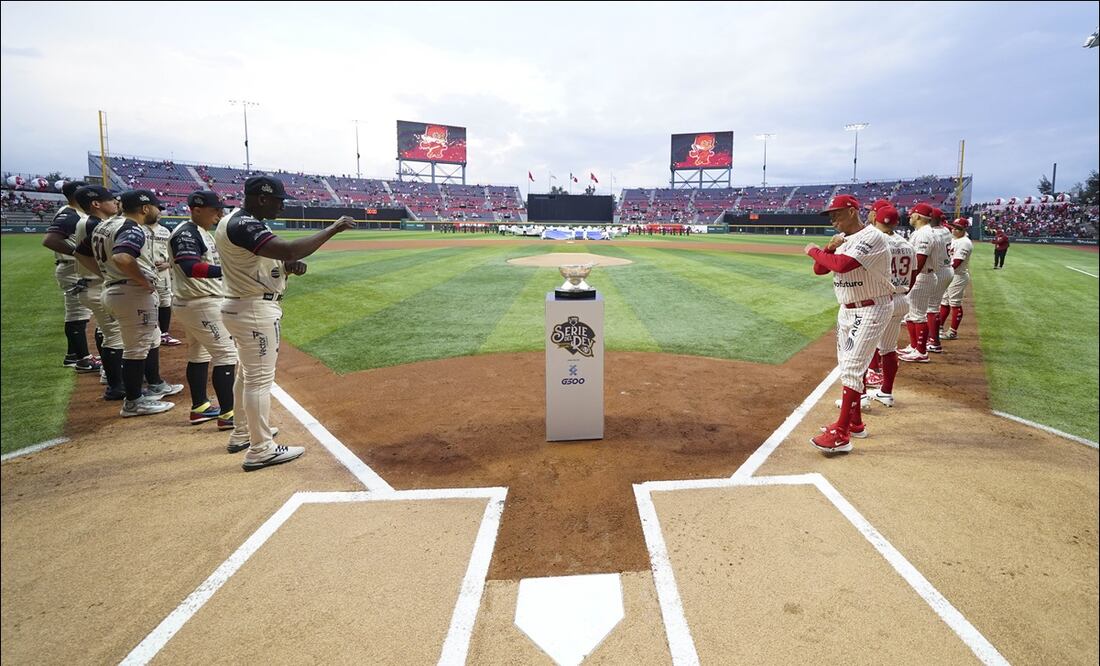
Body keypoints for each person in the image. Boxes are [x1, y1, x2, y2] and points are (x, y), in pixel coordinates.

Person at [215, 176, 356, 471]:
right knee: (258, 380)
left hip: (242, 304)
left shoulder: (239, 221)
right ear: (262, 198)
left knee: (246, 375)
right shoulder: (243, 224)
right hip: (254, 309)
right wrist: (333, 228)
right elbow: (290, 249)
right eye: (279, 201)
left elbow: (268, 263)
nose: (282, 207)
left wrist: (286, 269)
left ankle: (243, 433)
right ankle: (261, 449)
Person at [804, 194, 893, 453]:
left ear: (853, 211)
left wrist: (814, 250)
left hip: (871, 307)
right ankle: (855, 422)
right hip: (848, 309)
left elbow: (842, 266)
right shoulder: (843, 240)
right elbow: (820, 270)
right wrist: (828, 249)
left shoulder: (872, 236)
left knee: (853, 367)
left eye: (837, 213)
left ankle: (841, 433)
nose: (832, 219)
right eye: (830, 215)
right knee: (847, 366)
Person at [98, 189, 183, 417]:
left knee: (151, 337)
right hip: (130, 292)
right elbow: (122, 257)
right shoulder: (132, 227)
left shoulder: (105, 225)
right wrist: (143, 280)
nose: (158, 211)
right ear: (145, 208)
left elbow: (81, 252)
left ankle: (153, 386)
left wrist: (107, 274)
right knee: (136, 347)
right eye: (157, 207)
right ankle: (134, 401)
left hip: (113, 288)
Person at [169, 191, 239, 426]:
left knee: (199, 353)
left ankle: (200, 406)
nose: (219, 214)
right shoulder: (186, 233)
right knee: (227, 354)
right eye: (214, 210)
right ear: (196, 209)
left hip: (197, 302)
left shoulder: (200, 232)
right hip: (200, 302)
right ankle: (229, 414)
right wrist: (227, 272)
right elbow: (190, 267)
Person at [71, 186, 127, 400]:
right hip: (95, 285)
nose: (115, 203)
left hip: (91, 284)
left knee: (105, 331)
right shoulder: (94, 224)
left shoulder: (91, 223)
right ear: (96, 204)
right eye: (111, 200)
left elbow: (78, 253)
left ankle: (109, 374)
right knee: (115, 335)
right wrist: (104, 273)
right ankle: (116, 386)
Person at [42, 181, 99, 373]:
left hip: (72, 267)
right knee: (78, 314)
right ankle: (83, 359)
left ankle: (72, 356)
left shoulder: (75, 213)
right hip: (71, 267)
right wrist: (77, 253)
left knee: (77, 312)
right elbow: (50, 240)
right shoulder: (70, 214)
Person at [866, 205, 915, 408]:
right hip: (901, 299)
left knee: (863, 348)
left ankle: (858, 397)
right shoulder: (907, 244)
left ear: (875, 217)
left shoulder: (874, 241)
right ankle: (886, 392)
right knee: (888, 349)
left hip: (880, 301)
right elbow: (912, 277)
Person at [899, 203, 938, 363]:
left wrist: (910, 280)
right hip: (920, 276)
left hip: (922, 276)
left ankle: (921, 351)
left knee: (918, 315)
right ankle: (915, 346)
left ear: (919, 216)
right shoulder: (922, 232)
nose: (910, 216)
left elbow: (920, 260)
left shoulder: (924, 234)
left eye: (912, 214)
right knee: (911, 313)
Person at [924, 208, 954, 354]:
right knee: (932, 306)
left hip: (940, 270)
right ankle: (933, 337)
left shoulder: (933, 233)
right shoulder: (946, 231)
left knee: (931, 307)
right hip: (947, 269)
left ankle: (934, 342)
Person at [939, 218, 974, 340]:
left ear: (963, 229)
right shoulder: (954, 239)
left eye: (956, 228)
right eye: (953, 227)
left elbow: (957, 262)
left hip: (958, 276)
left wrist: (944, 272)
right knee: (944, 301)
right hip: (949, 274)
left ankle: (953, 331)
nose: (953, 229)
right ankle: (939, 327)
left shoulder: (965, 242)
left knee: (955, 303)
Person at [149, 215, 181, 346]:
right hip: (144, 271)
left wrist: (169, 264)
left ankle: (164, 333)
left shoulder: (166, 230)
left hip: (163, 272)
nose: (158, 214)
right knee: (147, 300)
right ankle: (150, 332)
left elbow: (175, 252)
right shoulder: (138, 229)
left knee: (165, 300)